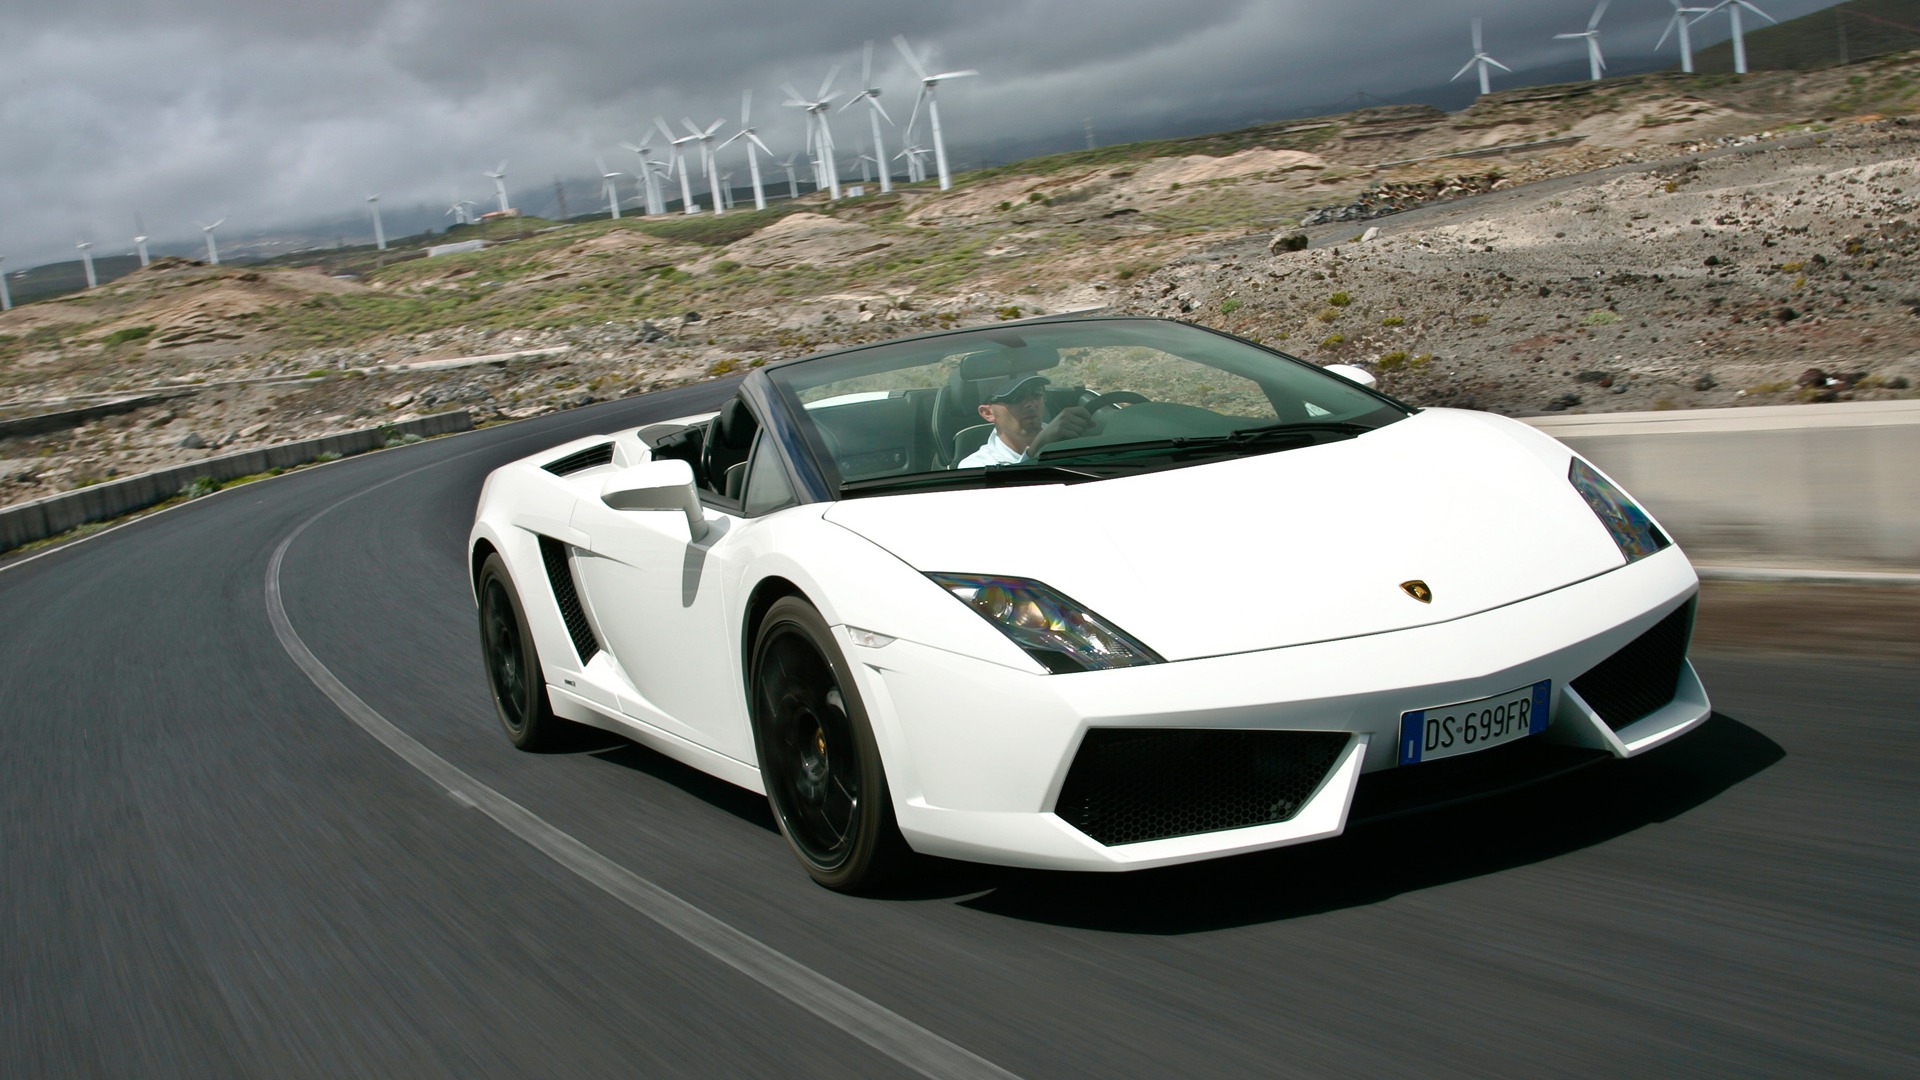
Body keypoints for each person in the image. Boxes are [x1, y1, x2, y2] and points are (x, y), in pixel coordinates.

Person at [956, 373, 1095, 468]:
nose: (1030, 403)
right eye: (1015, 397)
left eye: (1036, 392)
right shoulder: (975, 466)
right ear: (988, 413)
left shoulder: (1073, 437)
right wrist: (1037, 449)